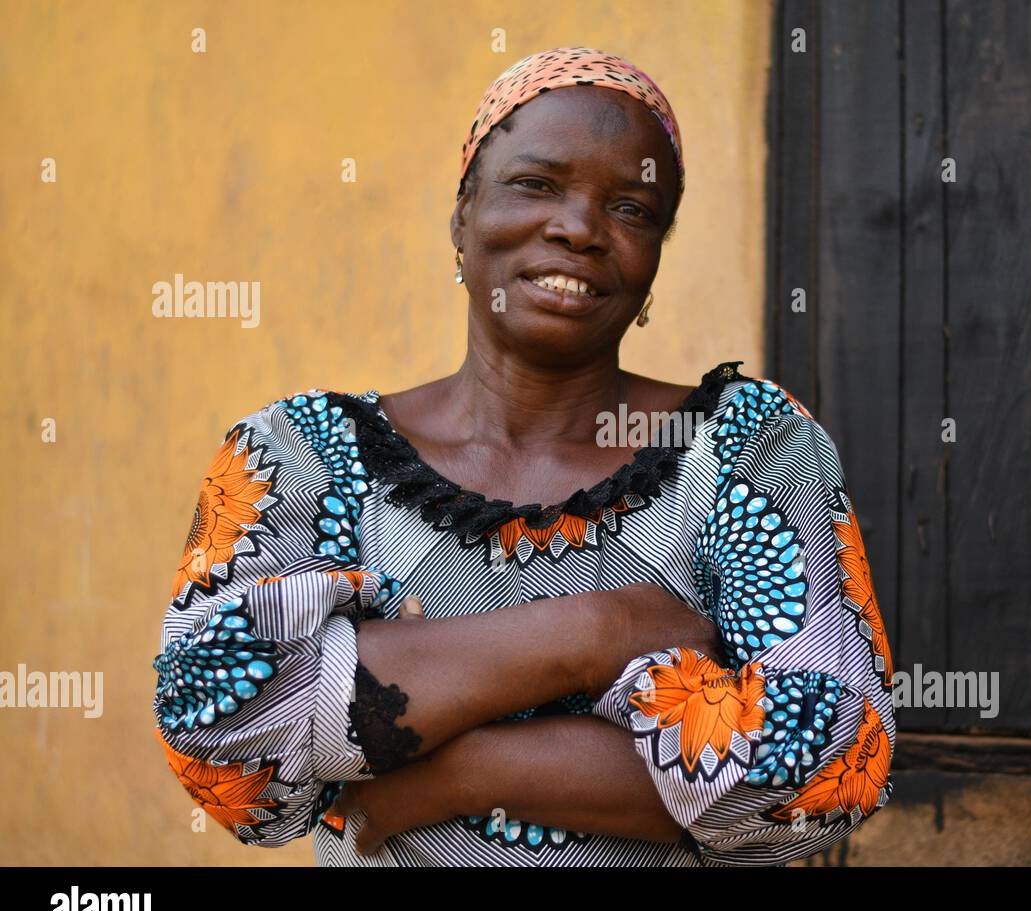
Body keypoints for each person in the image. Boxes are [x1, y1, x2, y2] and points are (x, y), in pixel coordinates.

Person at [151, 46, 896, 866]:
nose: (579, 228)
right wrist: (597, 631)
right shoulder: (301, 457)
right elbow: (220, 739)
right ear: (461, 218)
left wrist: (446, 771)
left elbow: (825, 773)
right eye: (536, 184)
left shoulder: (744, 447)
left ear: (653, 264)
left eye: (632, 208)